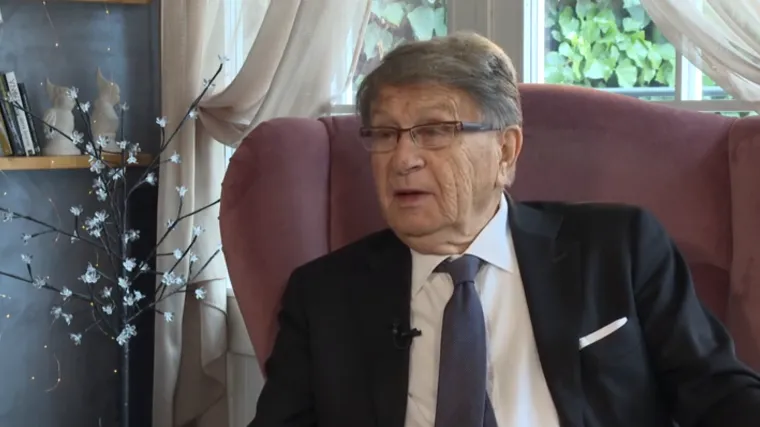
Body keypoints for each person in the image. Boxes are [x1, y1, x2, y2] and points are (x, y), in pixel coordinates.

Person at [249, 32, 760, 427]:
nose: (402, 159)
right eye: (385, 134)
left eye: (435, 131)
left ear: (506, 152)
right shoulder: (324, 296)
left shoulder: (617, 249)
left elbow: (718, 393)